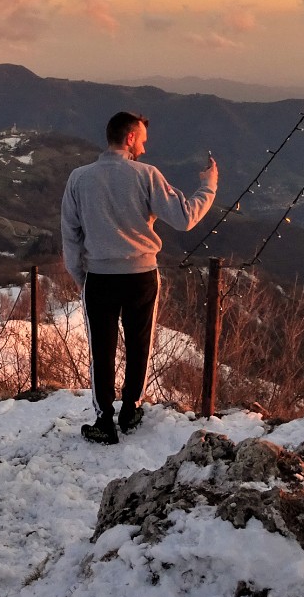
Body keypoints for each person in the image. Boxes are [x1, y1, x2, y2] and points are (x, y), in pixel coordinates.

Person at [60, 111, 217, 444]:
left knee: (100, 350)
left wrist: (80, 277)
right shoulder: (147, 175)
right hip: (141, 275)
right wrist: (209, 186)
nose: (144, 148)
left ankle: (104, 419)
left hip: (98, 277)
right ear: (130, 137)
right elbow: (185, 217)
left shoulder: (79, 178)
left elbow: (70, 234)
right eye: (142, 139)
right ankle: (130, 409)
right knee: (139, 345)